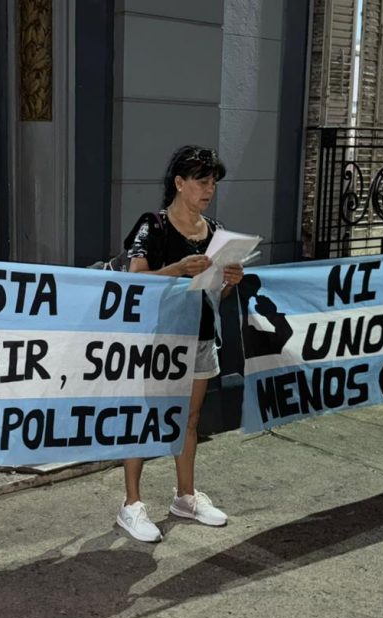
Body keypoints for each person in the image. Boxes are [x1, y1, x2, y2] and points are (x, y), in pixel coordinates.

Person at [115, 145, 244, 542]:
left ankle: (185, 496)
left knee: (190, 419)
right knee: (144, 417)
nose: (209, 190)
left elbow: (215, 295)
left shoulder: (216, 231)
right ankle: (131, 504)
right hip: (157, 339)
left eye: (213, 183)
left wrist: (228, 281)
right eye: (202, 182)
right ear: (179, 183)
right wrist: (176, 269)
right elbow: (135, 280)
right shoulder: (153, 225)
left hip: (200, 336)